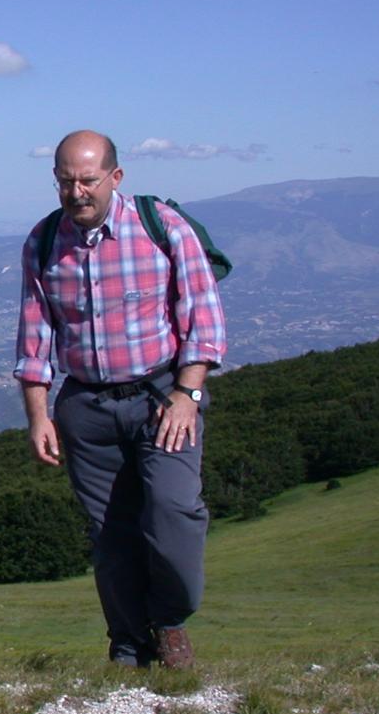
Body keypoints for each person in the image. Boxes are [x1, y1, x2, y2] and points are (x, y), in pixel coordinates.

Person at [14, 130, 225, 668]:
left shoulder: (161, 226)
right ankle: (129, 647)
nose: (77, 192)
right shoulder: (43, 242)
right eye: (65, 181)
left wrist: (188, 393)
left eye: (87, 179)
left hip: (162, 397)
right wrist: (38, 415)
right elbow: (35, 335)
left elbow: (202, 314)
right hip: (85, 405)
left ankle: (171, 621)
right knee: (110, 535)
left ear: (116, 177)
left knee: (174, 511)